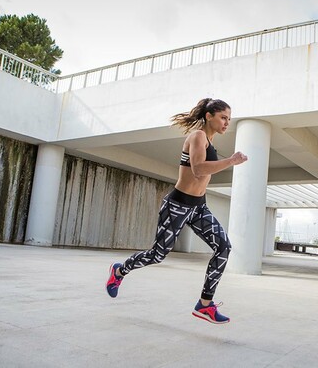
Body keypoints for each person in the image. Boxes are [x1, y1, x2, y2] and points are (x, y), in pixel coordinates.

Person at [105, 98, 248, 324]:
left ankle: (205, 305)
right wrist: (231, 161)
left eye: (229, 119)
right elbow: (199, 169)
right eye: (223, 117)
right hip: (177, 205)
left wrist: (227, 160)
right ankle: (120, 270)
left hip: (198, 207)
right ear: (209, 116)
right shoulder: (197, 137)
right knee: (158, 254)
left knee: (223, 247)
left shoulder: (210, 141)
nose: (227, 122)